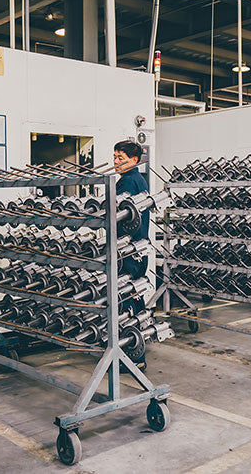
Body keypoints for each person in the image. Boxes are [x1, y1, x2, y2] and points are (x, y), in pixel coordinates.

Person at [113, 140, 149, 370]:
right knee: (135, 297)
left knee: (126, 301)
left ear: (134, 160)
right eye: (115, 156)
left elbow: (117, 216)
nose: (116, 161)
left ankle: (134, 357)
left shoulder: (127, 182)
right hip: (138, 249)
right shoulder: (139, 180)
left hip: (129, 250)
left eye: (121, 158)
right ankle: (139, 347)